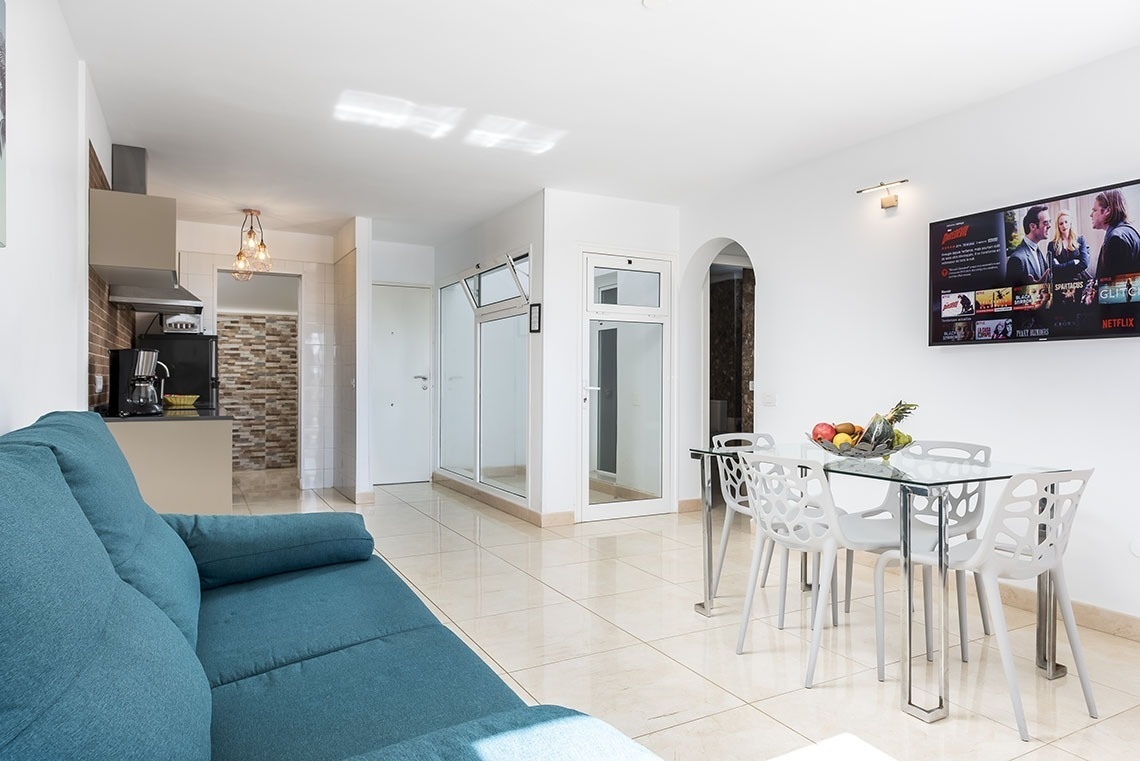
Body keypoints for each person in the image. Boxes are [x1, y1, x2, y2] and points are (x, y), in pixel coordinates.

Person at [1091, 189, 1140, 279]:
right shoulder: (1130, 231)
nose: (1091, 215)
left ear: (1107, 211)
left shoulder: (1115, 238)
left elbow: (1113, 286)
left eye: (1094, 210)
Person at [1007, 205, 1052, 286]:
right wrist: (1031, 289)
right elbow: (1009, 295)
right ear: (1032, 226)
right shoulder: (1017, 259)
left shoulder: (1037, 251)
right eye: (1045, 223)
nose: (1049, 226)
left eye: (1049, 222)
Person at [1047, 211, 1090, 282]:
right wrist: (1073, 263)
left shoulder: (1080, 240)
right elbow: (1053, 269)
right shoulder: (1052, 245)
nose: (1064, 225)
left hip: (1079, 282)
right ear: (1058, 226)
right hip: (1060, 285)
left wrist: (1061, 267)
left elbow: (1084, 264)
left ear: (1070, 223)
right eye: (1061, 223)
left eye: (1066, 222)